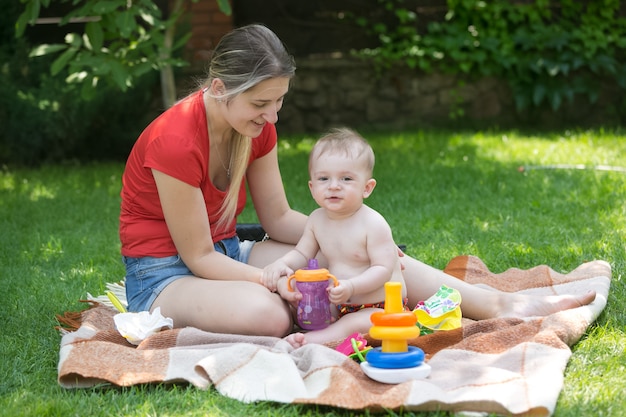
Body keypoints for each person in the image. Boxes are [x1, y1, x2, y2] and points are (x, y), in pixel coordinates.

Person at [119, 24, 596, 345]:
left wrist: (356, 239)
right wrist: (275, 279)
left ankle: (499, 303)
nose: (272, 117)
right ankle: (318, 312)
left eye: (279, 102)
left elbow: (280, 219)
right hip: (165, 275)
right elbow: (197, 258)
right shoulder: (175, 140)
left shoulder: (256, 129)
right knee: (267, 314)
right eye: (262, 104)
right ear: (221, 89)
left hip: (227, 254)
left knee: (371, 259)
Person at [262, 128, 406, 346]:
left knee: (350, 325)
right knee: (299, 303)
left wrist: (352, 287)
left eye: (346, 178)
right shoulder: (317, 220)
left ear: (367, 188)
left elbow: (383, 270)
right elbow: (302, 252)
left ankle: (312, 340)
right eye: (324, 178)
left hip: (380, 306)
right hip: (339, 301)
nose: (334, 186)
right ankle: (319, 326)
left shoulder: (372, 223)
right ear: (312, 187)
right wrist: (282, 264)